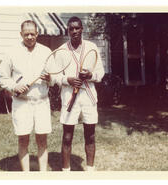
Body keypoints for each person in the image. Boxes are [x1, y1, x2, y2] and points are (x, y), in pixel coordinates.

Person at [0, 20, 52, 171]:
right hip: (22, 103)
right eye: (26, 34)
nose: (29, 37)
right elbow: (3, 77)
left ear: (37, 34)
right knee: (23, 139)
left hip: (42, 102)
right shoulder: (11, 52)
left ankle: (43, 176)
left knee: (42, 140)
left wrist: (50, 79)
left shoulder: (46, 51)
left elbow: (55, 76)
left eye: (32, 34)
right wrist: (15, 86)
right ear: (21, 34)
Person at [56, 16, 105, 171]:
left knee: (90, 135)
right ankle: (66, 172)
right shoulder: (62, 50)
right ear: (68, 30)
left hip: (88, 97)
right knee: (67, 137)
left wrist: (90, 76)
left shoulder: (92, 47)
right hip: (70, 98)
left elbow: (100, 72)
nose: (75, 31)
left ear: (82, 29)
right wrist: (67, 80)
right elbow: (54, 76)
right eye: (71, 28)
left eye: (77, 28)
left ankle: (90, 171)